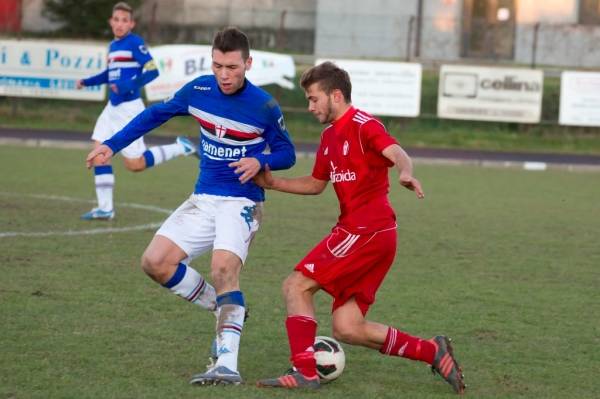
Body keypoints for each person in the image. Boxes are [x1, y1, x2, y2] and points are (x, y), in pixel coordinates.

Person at [85, 27, 296, 385]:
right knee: (155, 262)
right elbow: (155, 116)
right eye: (217, 66)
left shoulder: (264, 105)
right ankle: (227, 309)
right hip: (203, 198)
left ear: (248, 63)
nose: (224, 75)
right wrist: (113, 144)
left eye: (232, 66)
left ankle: (226, 365)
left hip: (242, 200)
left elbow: (287, 153)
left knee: (223, 269)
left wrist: (262, 161)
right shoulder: (198, 89)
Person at [254, 62, 466, 394]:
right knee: (347, 327)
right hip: (373, 236)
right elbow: (315, 184)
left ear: (335, 95)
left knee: (295, 286)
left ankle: (304, 371)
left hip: (365, 232)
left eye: (313, 99)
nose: (310, 107)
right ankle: (432, 351)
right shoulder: (328, 137)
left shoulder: (364, 124)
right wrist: (272, 182)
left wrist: (405, 172)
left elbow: (396, 151)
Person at [78, 1, 197, 221]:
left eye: (125, 20)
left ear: (131, 24)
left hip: (129, 109)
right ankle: (105, 208)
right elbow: (109, 74)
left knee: (135, 164)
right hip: (111, 108)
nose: (120, 24)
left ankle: (181, 147)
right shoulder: (113, 46)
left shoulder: (135, 43)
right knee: (99, 151)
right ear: (111, 22)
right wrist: (87, 81)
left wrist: (128, 86)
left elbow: (153, 70)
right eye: (116, 19)